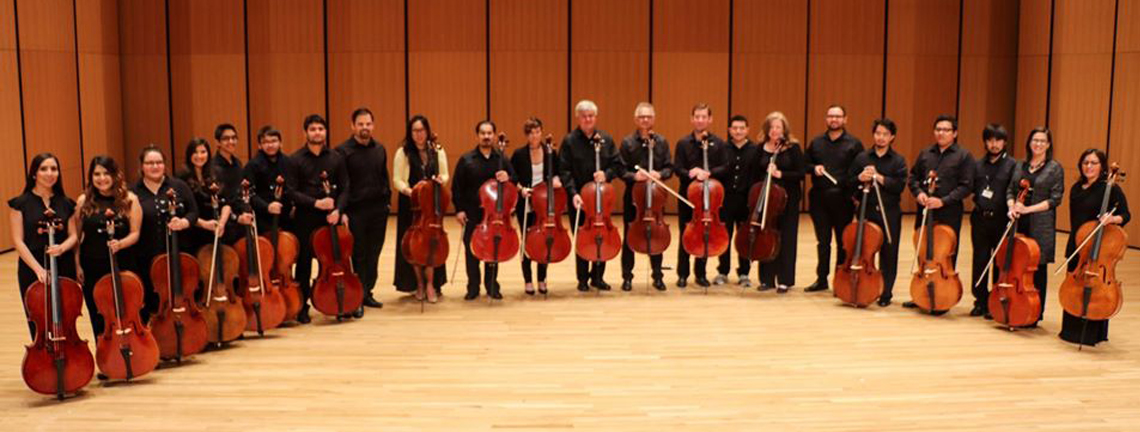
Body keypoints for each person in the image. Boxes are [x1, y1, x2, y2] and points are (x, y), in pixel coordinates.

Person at [1058, 148, 1129, 345]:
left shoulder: (1111, 188)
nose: (1089, 166)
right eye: (1085, 162)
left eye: (1093, 163)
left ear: (1102, 166)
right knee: (1074, 287)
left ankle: (1093, 333)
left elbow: (1126, 214)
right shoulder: (1076, 188)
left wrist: (1111, 218)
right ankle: (1070, 330)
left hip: (1100, 250)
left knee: (1096, 287)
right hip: (1078, 245)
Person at [903, 115, 975, 309]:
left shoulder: (963, 156)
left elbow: (966, 186)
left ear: (955, 133)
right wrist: (919, 194)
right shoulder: (926, 153)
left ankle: (944, 296)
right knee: (924, 253)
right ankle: (921, 293)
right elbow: (913, 178)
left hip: (948, 212)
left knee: (945, 255)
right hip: (925, 210)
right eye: (938, 129)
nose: (941, 133)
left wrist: (943, 201)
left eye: (946, 130)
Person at [9, 153, 80, 339]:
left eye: (54, 169)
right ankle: (43, 360)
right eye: (44, 169)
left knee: (66, 315)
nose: (49, 173)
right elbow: (18, 241)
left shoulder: (66, 203)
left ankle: (69, 359)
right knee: (37, 318)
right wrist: (38, 269)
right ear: (34, 174)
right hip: (32, 266)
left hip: (63, 263)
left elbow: (74, 236)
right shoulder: (20, 204)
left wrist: (62, 248)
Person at [287, 114, 350, 322]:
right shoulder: (295, 160)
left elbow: (345, 188)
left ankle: (336, 300)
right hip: (306, 217)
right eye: (313, 129)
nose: (317, 133)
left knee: (332, 260)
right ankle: (302, 306)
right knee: (304, 262)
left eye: (320, 129)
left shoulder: (336, 158)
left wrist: (338, 210)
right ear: (305, 133)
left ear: (325, 132)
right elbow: (291, 192)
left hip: (329, 218)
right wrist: (316, 203)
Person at [74, 156, 142, 343]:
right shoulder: (83, 201)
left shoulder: (129, 200)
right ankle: (106, 357)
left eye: (106, 173)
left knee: (127, 310)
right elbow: (76, 238)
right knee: (98, 314)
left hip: (123, 263)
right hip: (92, 265)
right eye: (97, 174)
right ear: (91, 176)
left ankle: (133, 354)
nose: (101, 178)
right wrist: (77, 264)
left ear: (115, 175)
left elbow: (135, 233)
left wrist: (120, 244)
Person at [559, 100, 621, 292]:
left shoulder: (606, 140)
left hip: (601, 199)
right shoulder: (569, 141)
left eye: (591, 116)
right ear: (578, 117)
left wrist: (607, 174)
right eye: (584, 116)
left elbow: (617, 164)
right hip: (579, 198)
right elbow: (564, 170)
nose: (588, 119)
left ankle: (598, 277)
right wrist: (573, 193)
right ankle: (582, 279)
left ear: (596, 117)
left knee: (602, 235)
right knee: (583, 237)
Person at [132, 146, 198, 323]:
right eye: (150, 163)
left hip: (180, 253)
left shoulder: (178, 186)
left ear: (165, 165)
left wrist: (184, 222)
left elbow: (193, 212)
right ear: (142, 166)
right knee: (152, 299)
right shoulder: (133, 192)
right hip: (147, 256)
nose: (155, 166)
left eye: (159, 162)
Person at [1005, 127, 1063, 326]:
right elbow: (1011, 190)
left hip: (1040, 225)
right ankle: (1014, 305)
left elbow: (1055, 199)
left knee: (1037, 270)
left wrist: (1028, 209)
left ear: (1048, 145)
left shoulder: (1054, 168)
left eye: (1042, 141)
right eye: (1034, 140)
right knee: (1016, 265)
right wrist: (1012, 206)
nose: (1038, 144)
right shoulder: (1020, 165)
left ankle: (1034, 313)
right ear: (1029, 143)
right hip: (1018, 222)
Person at [335, 108, 392, 311]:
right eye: (360, 124)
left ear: (373, 125)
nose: (365, 127)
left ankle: (367, 292)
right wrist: (343, 212)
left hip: (378, 210)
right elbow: (341, 184)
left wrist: (387, 202)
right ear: (353, 126)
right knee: (358, 254)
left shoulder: (380, 149)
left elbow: (384, 176)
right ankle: (356, 297)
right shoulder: (342, 152)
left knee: (374, 253)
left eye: (368, 124)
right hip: (355, 211)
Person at [452, 120, 516, 300]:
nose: (486, 136)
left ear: (494, 136)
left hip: (495, 215)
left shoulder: (502, 159)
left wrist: (508, 177)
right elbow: (457, 187)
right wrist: (459, 210)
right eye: (483, 133)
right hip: (472, 213)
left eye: (489, 133)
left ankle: (492, 286)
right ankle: (473, 287)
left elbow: (514, 180)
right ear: (477, 135)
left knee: (494, 248)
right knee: (471, 250)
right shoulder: (466, 159)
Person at [848, 118, 907, 306]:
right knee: (865, 252)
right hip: (866, 211)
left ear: (892, 137)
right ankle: (865, 287)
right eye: (878, 133)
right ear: (873, 135)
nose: (881, 137)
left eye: (885, 134)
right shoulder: (862, 158)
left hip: (889, 212)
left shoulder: (898, 161)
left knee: (889, 253)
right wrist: (860, 177)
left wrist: (878, 177)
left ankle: (886, 293)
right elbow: (849, 183)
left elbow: (899, 186)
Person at [804, 105, 863, 293]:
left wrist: (855, 195)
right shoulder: (816, 142)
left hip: (843, 200)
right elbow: (804, 164)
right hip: (819, 199)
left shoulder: (854, 144)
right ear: (826, 119)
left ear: (845, 119)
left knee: (842, 242)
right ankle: (821, 279)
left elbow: (859, 172)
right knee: (823, 242)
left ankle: (840, 280)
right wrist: (814, 168)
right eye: (830, 116)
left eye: (838, 116)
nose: (834, 119)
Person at [393, 115, 449, 302]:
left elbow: (445, 174)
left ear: (427, 131)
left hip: (432, 206)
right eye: (415, 131)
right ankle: (418, 284)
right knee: (414, 245)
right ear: (410, 133)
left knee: (432, 243)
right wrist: (409, 191)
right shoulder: (403, 152)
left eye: (422, 130)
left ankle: (431, 285)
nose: (419, 134)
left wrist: (442, 180)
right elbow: (397, 179)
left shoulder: (437, 150)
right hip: (412, 205)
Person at [618, 103, 672, 291]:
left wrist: (660, 174)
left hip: (656, 198)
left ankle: (657, 276)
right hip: (634, 198)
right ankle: (627, 277)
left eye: (648, 116)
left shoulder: (662, 142)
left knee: (657, 234)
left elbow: (669, 168)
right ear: (636, 119)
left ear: (654, 119)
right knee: (629, 236)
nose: (645, 120)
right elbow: (620, 170)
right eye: (642, 117)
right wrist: (635, 176)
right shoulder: (627, 143)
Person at [673, 103, 727, 288]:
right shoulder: (682, 143)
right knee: (686, 234)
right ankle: (682, 274)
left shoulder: (719, 143)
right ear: (692, 119)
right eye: (697, 116)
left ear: (710, 119)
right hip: (688, 197)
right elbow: (677, 168)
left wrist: (708, 172)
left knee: (705, 234)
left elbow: (725, 167)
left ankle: (701, 273)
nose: (700, 120)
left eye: (704, 117)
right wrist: (691, 172)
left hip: (709, 200)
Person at [753, 112, 805, 293]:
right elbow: (753, 172)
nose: (775, 130)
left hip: (788, 200)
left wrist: (780, 174)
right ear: (767, 129)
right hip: (767, 200)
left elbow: (801, 173)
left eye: (778, 127)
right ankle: (766, 279)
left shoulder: (793, 148)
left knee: (787, 238)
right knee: (766, 237)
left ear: (784, 130)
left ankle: (785, 280)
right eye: (772, 127)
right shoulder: (760, 148)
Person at [969, 124, 1016, 317]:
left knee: (1000, 262)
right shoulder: (978, 165)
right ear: (985, 142)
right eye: (989, 140)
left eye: (998, 140)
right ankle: (980, 300)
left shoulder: (1013, 165)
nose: (993, 144)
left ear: (1004, 142)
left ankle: (995, 300)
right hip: (980, 219)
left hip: (1001, 220)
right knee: (979, 260)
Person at [512, 117, 560, 295]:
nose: (535, 135)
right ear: (526, 134)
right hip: (526, 203)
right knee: (527, 241)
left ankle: (541, 278)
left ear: (541, 132)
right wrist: (521, 189)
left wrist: (556, 180)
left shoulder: (550, 152)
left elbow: (556, 173)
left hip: (545, 204)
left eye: (537, 131)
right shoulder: (519, 154)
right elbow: (512, 177)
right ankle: (527, 280)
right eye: (531, 132)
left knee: (544, 240)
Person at [714, 114, 759, 287]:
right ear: (729, 130)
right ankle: (722, 271)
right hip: (725, 200)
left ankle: (744, 272)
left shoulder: (755, 150)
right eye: (735, 128)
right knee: (724, 236)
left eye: (742, 128)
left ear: (747, 130)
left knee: (744, 238)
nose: (738, 131)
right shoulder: (722, 148)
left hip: (746, 201)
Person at [176, 138, 229, 252]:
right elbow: (182, 210)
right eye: (195, 152)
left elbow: (227, 202)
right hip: (193, 232)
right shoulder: (181, 176)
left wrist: (222, 223)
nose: (199, 156)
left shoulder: (217, 172)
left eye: (203, 152)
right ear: (189, 155)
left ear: (209, 153)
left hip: (217, 229)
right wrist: (204, 224)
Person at [243, 125, 294, 234]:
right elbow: (249, 194)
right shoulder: (252, 166)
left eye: (274, 141)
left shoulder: (288, 162)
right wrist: (267, 207)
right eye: (265, 142)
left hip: (286, 218)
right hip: (263, 219)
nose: (270, 145)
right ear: (260, 146)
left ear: (280, 143)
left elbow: (293, 188)